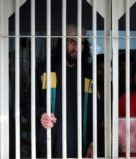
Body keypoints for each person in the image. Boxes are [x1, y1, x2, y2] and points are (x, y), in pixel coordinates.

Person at [21, 24, 102, 158]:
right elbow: (26, 103)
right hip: (50, 148)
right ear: (62, 42)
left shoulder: (88, 73)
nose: (76, 48)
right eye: (72, 42)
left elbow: (97, 112)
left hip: (82, 147)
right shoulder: (44, 69)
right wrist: (40, 115)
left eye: (81, 43)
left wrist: (94, 143)